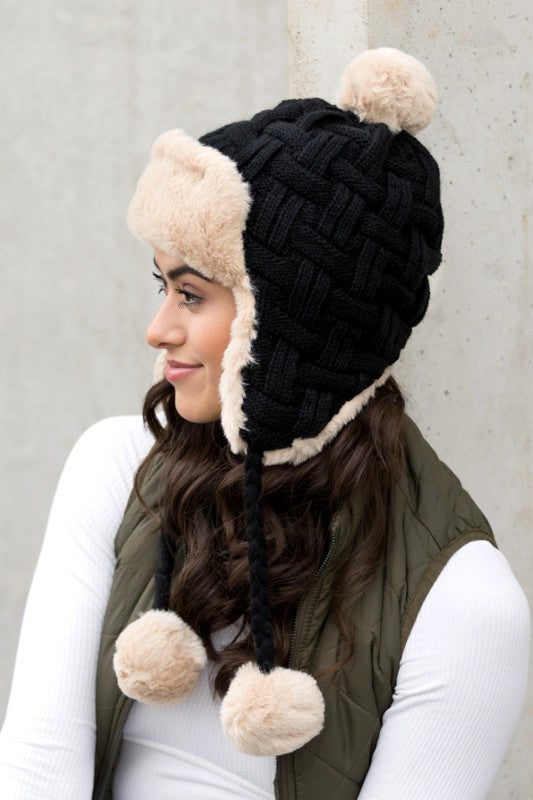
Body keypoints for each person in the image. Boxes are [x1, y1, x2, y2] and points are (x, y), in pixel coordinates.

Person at [0, 48, 530, 800]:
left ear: (287, 323)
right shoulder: (115, 472)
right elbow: (35, 770)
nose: (156, 330)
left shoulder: (461, 599)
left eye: (192, 295)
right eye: (163, 285)